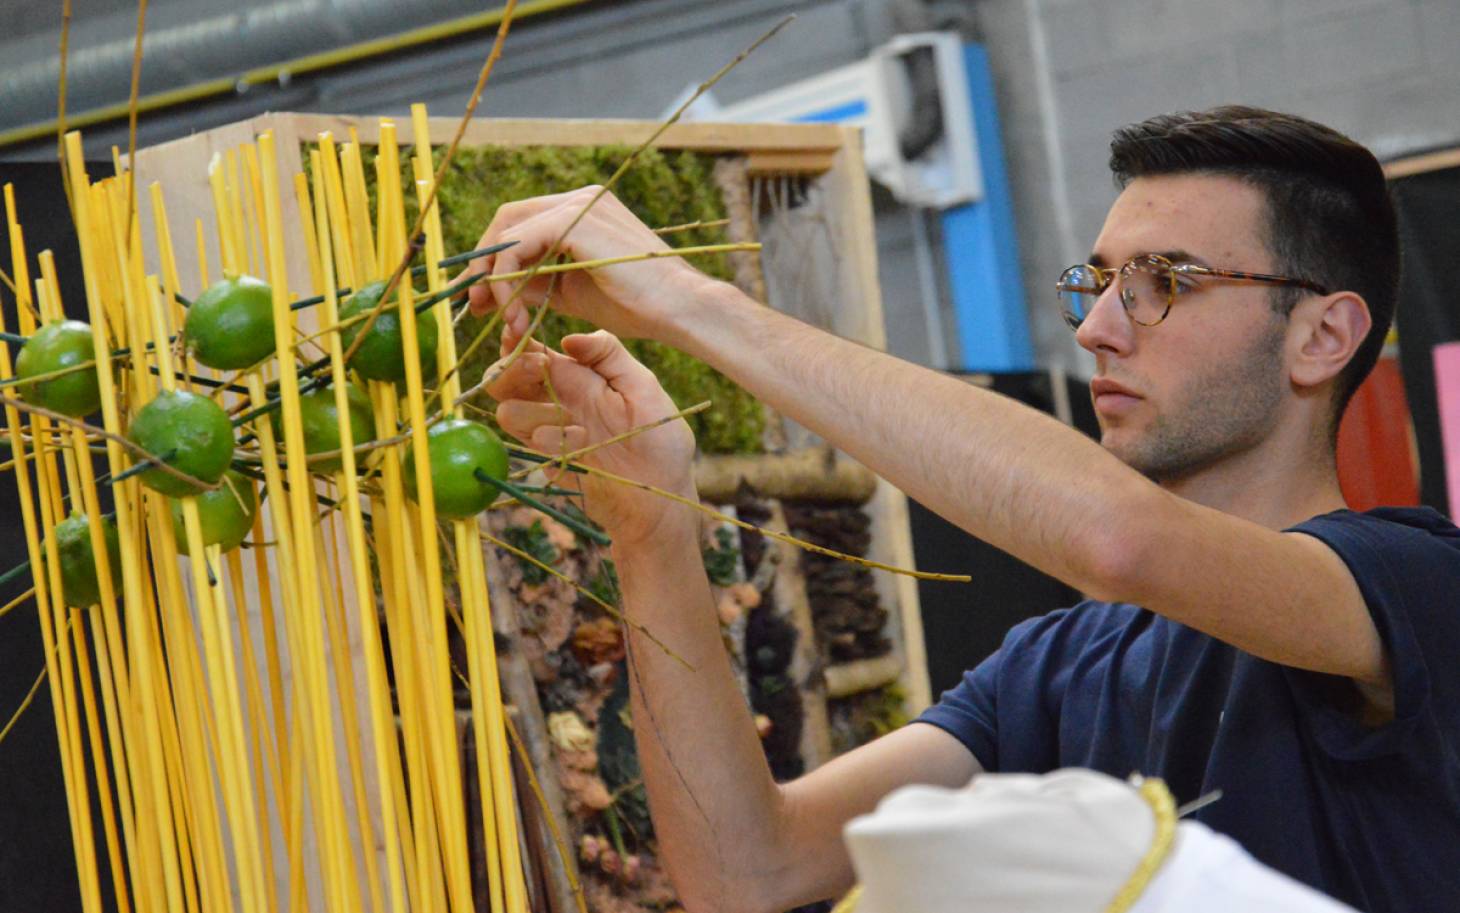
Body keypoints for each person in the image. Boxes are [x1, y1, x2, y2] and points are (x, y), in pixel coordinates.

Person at [466, 106, 1460, 913]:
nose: (1099, 329)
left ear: (1321, 336)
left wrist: (690, 300)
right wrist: (653, 527)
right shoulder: (1057, 664)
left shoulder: (1413, 583)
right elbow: (746, 869)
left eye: (1163, 283)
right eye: (1097, 283)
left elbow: (1115, 539)